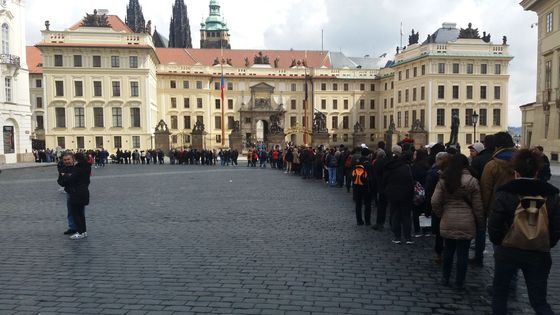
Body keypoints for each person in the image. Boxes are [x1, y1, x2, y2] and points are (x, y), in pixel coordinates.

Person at [488, 149, 560, 315]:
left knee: (500, 296)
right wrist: (546, 242)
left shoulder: (506, 192)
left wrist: (500, 242)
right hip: (539, 252)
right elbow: (556, 227)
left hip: (509, 250)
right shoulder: (552, 194)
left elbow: (495, 223)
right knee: (539, 301)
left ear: (516, 172)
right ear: (536, 171)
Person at [431, 154, 484, 290]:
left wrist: (441, 214)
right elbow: (478, 206)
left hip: (448, 218)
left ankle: (445, 278)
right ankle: (460, 282)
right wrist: (480, 222)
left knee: (448, 250)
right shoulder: (472, 181)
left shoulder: (444, 179)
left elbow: (435, 201)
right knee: (463, 253)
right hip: (467, 220)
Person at [383, 145, 415, 244]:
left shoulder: (389, 166)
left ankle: (397, 237)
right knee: (406, 216)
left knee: (395, 215)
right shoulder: (406, 166)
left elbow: (385, 180)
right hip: (406, 194)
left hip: (393, 193)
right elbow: (411, 180)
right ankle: (408, 238)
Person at [57, 152, 91, 240]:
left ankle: (80, 231)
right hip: (71, 192)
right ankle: (76, 229)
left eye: (68, 159)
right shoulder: (63, 168)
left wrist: (66, 176)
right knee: (72, 212)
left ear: (73, 159)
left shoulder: (79, 168)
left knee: (78, 213)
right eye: (64, 160)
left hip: (77, 193)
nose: (66, 161)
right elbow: (61, 181)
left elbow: (73, 179)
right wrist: (66, 177)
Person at [352, 147, 372, 225]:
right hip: (366, 186)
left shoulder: (357, 162)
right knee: (367, 204)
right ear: (367, 155)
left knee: (358, 204)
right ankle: (367, 221)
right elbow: (371, 177)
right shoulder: (368, 164)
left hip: (357, 186)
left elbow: (352, 175)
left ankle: (359, 220)